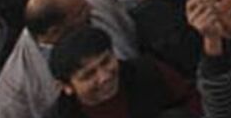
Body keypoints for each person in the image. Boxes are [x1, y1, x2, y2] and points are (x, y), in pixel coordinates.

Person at [0, 0, 139, 118]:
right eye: (80, 12)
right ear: (55, 32)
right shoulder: (17, 89)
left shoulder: (98, 4)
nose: (91, 9)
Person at [46, 26, 198, 118]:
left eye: (106, 62)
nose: (104, 77)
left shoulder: (148, 72)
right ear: (67, 87)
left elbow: (193, 99)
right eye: (88, 75)